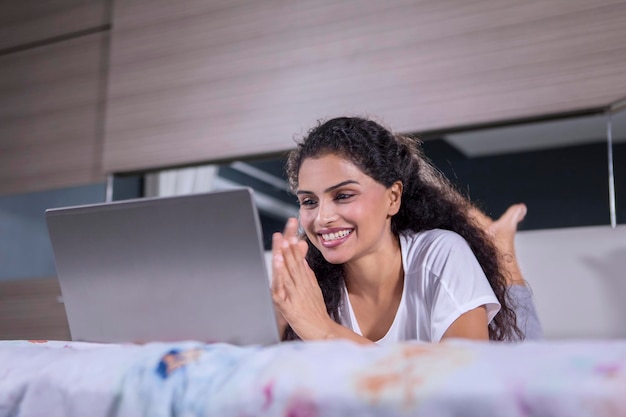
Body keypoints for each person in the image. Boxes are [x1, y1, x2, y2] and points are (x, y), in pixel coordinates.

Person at [271, 116, 540, 344]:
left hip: (509, 362)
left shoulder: (443, 251)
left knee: (526, 340)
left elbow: (462, 380)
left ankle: (501, 245)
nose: (322, 218)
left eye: (343, 195)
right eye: (309, 201)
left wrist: (325, 331)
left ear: (393, 197)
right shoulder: (311, 286)